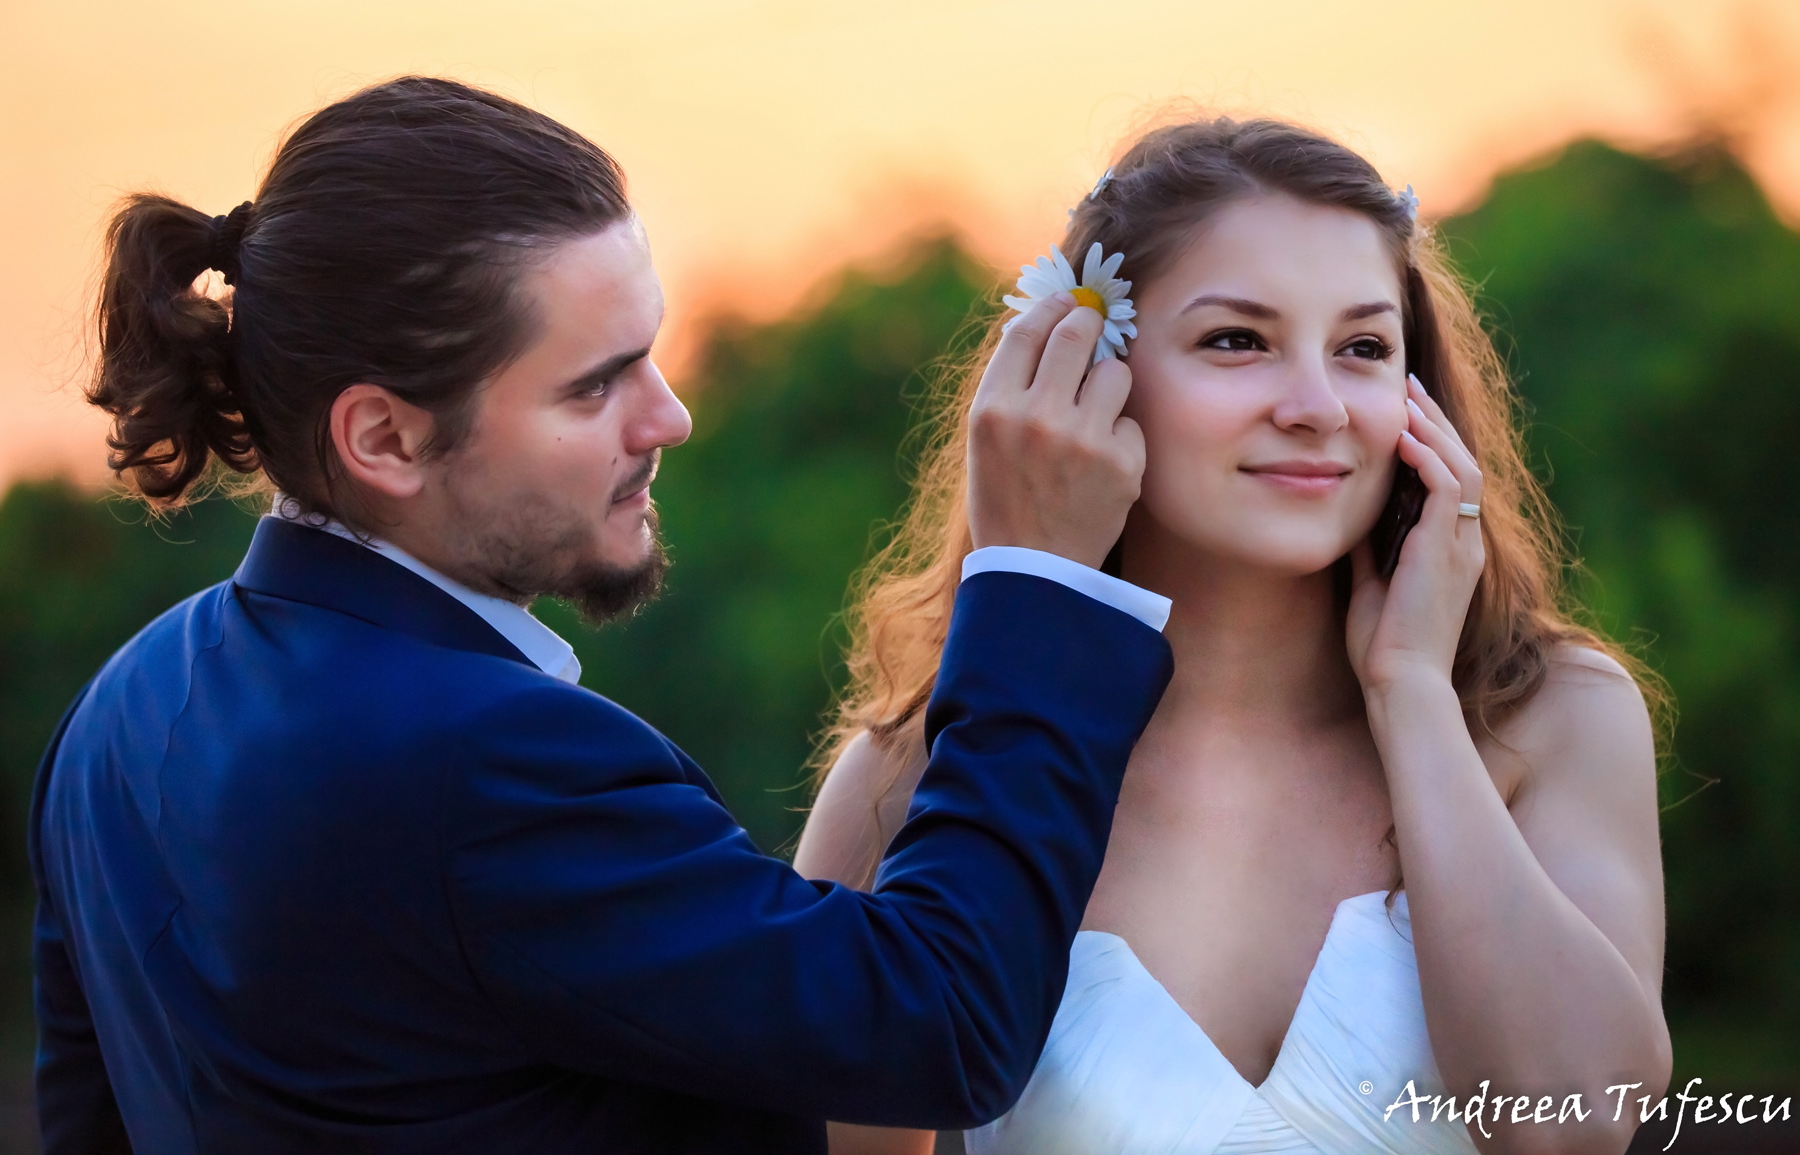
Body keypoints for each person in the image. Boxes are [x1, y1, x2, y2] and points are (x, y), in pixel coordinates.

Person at [30, 76, 1178, 1154]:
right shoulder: (491, 769)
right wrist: (1037, 587)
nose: (669, 418)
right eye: (594, 385)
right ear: (383, 439)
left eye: (651, 356)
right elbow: (941, 1024)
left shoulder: (118, 711)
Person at [798, 117, 1672, 1155]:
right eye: (1237, 341)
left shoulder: (1557, 719)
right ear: (1085, 374)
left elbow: (1577, 1127)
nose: (1316, 407)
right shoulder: (917, 779)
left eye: (1361, 349)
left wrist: (1414, 696)